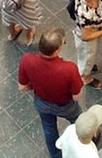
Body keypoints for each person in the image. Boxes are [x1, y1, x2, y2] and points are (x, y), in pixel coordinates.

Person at [18, 28, 84, 158]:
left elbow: (22, 87)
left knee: (49, 129)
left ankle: (55, 155)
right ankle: (80, 149)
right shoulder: (69, 69)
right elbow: (77, 97)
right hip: (66, 106)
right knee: (79, 123)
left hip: (42, 104)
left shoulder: (27, 59)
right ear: (57, 50)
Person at [71, 0, 102, 89]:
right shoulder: (85, 14)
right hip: (88, 40)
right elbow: (86, 36)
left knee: (89, 57)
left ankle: (89, 67)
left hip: (93, 30)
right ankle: (85, 77)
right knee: (87, 58)